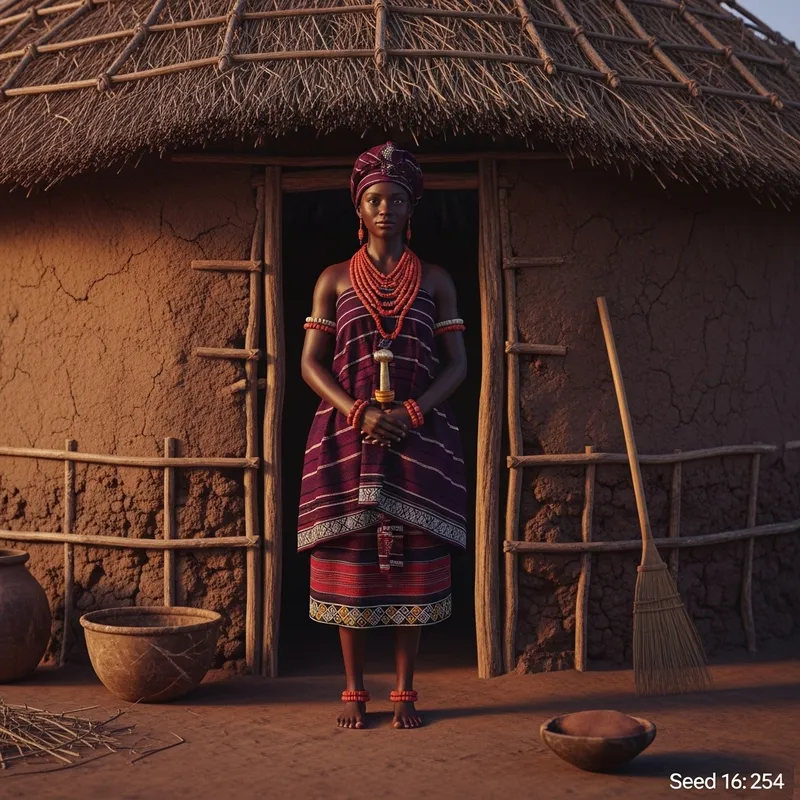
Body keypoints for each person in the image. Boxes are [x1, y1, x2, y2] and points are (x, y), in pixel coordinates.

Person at [298, 142, 468, 730]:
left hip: (419, 440)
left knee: (415, 566)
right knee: (350, 564)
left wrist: (416, 412)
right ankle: (353, 690)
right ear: (359, 209)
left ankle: (405, 690)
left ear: (411, 207)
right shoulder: (334, 279)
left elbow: (458, 365)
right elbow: (310, 364)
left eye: (396, 198)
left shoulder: (437, 281)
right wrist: (356, 411)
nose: (385, 207)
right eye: (374, 199)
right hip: (346, 439)